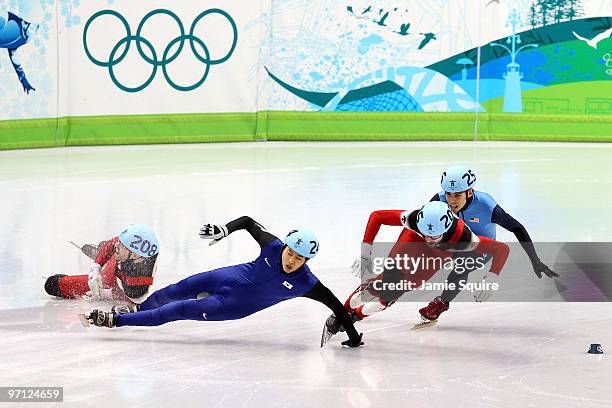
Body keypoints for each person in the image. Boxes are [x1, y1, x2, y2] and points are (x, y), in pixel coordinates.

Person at [82, 216, 364, 348]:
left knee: (178, 310)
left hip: (231, 305)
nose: (291, 261)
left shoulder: (308, 283)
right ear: (286, 246)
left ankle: (115, 321)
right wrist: (224, 230)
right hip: (227, 276)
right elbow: (249, 222)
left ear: (307, 261)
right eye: (291, 253)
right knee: (179, 288)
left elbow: (339, 309)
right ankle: (136, 312)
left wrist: (353, 339)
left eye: (299, 259)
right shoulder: (274, 246)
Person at [322, 201, 510, 344]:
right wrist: (365, 254)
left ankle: (356, 316)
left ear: (446, 230)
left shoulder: (465, 239)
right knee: (388, 279)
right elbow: (377, 216)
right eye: (425, 234)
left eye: (434, 236)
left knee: (394, 292)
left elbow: (502, 249)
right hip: (412, 240)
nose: (428, 239)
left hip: (440, 254)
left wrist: (491, 276)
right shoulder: (413, 218)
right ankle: (345, 312)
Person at [417, 164, 558, 322]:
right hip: (453, 242)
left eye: (457, 195)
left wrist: (535, 260)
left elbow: (517, 228)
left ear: (469, 192)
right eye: (448, 194)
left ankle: (441, 304)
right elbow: (421, 225)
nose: (451, 200)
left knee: (461, 266)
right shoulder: (438, 200)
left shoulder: (486, 206)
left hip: (481, 249)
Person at [44, 224, 159, 305]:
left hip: (113, 281)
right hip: (119, 267)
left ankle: (105, 259)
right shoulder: (133, 248)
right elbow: (113, 242)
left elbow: (133, 300)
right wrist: (96, 266)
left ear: (134, 255)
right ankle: (104, 256)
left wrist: (103, 294)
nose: (117, 244)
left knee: (53, 284)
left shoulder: (140, 281)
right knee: (110, 249)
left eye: (121, 246)